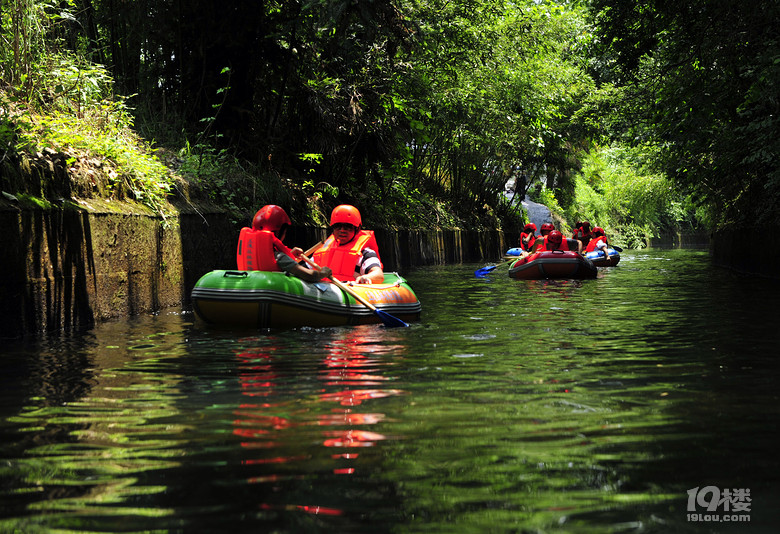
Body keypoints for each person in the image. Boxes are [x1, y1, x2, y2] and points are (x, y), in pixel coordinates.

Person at [236, 205, 332, 282]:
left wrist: (290, 254)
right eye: (285, 232)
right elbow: (309, 275)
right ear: (278, 232)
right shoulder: (280, 257)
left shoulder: (247, 252)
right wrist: (323, 272)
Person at [311, 204, 384, 284]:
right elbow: (304, 270)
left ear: (357, 229)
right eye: (338, 226)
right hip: (322, 291)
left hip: (350, 290)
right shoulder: (323, 251)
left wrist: (366, 277)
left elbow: (378, 274)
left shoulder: (365, 253)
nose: (342, 230)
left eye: (348, 227)